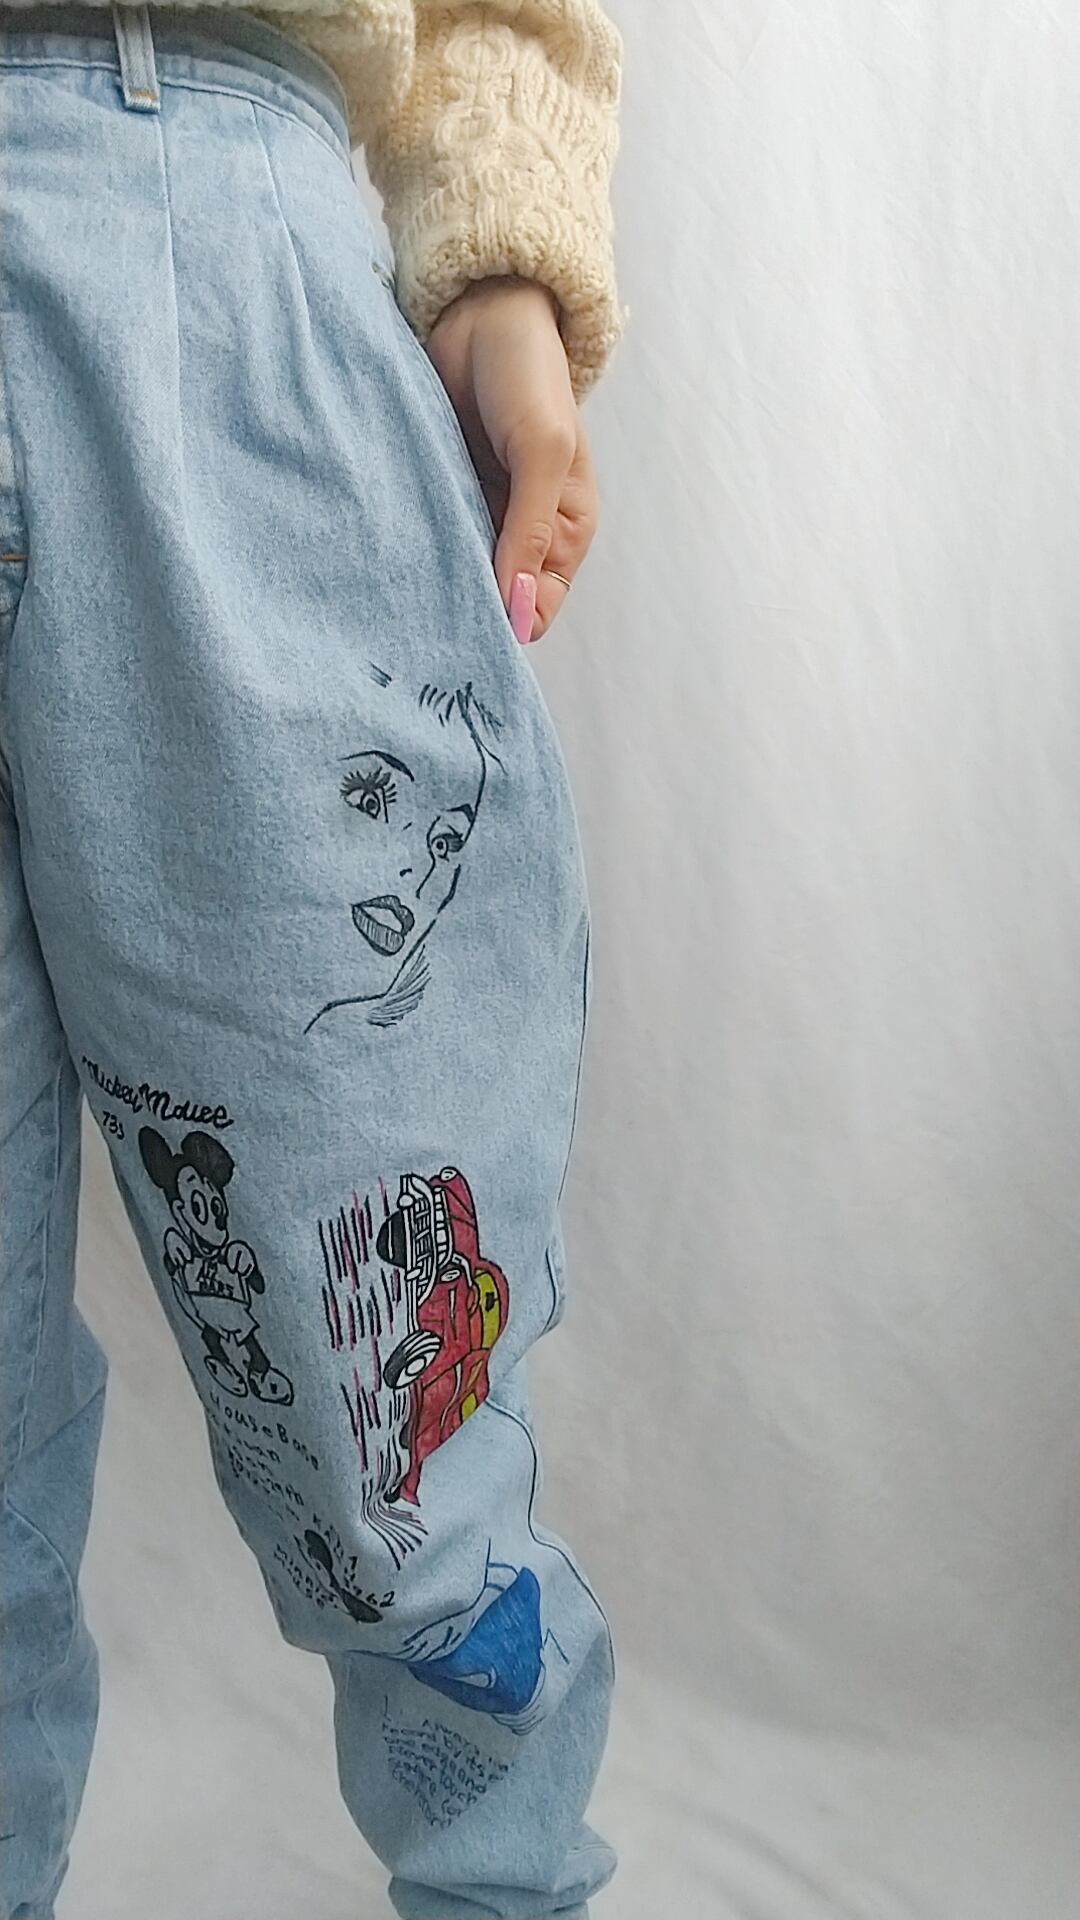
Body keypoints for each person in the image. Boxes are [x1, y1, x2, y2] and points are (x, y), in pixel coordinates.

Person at [0, 1, 624, 1916]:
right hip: (201, 213)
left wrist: (499, 272)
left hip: (218, 240)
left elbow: (490, 20)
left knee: (390, 1428)